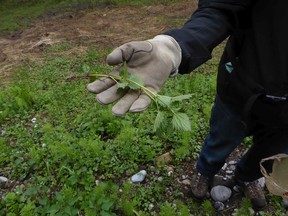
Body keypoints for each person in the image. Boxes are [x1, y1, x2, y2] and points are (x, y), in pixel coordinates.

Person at [87, 0, 288, 211]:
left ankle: (247, 177)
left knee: (271, 151)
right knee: (221, 137)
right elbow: (221, 7)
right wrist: (174, 46)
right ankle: (205, 170)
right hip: (241, 89)